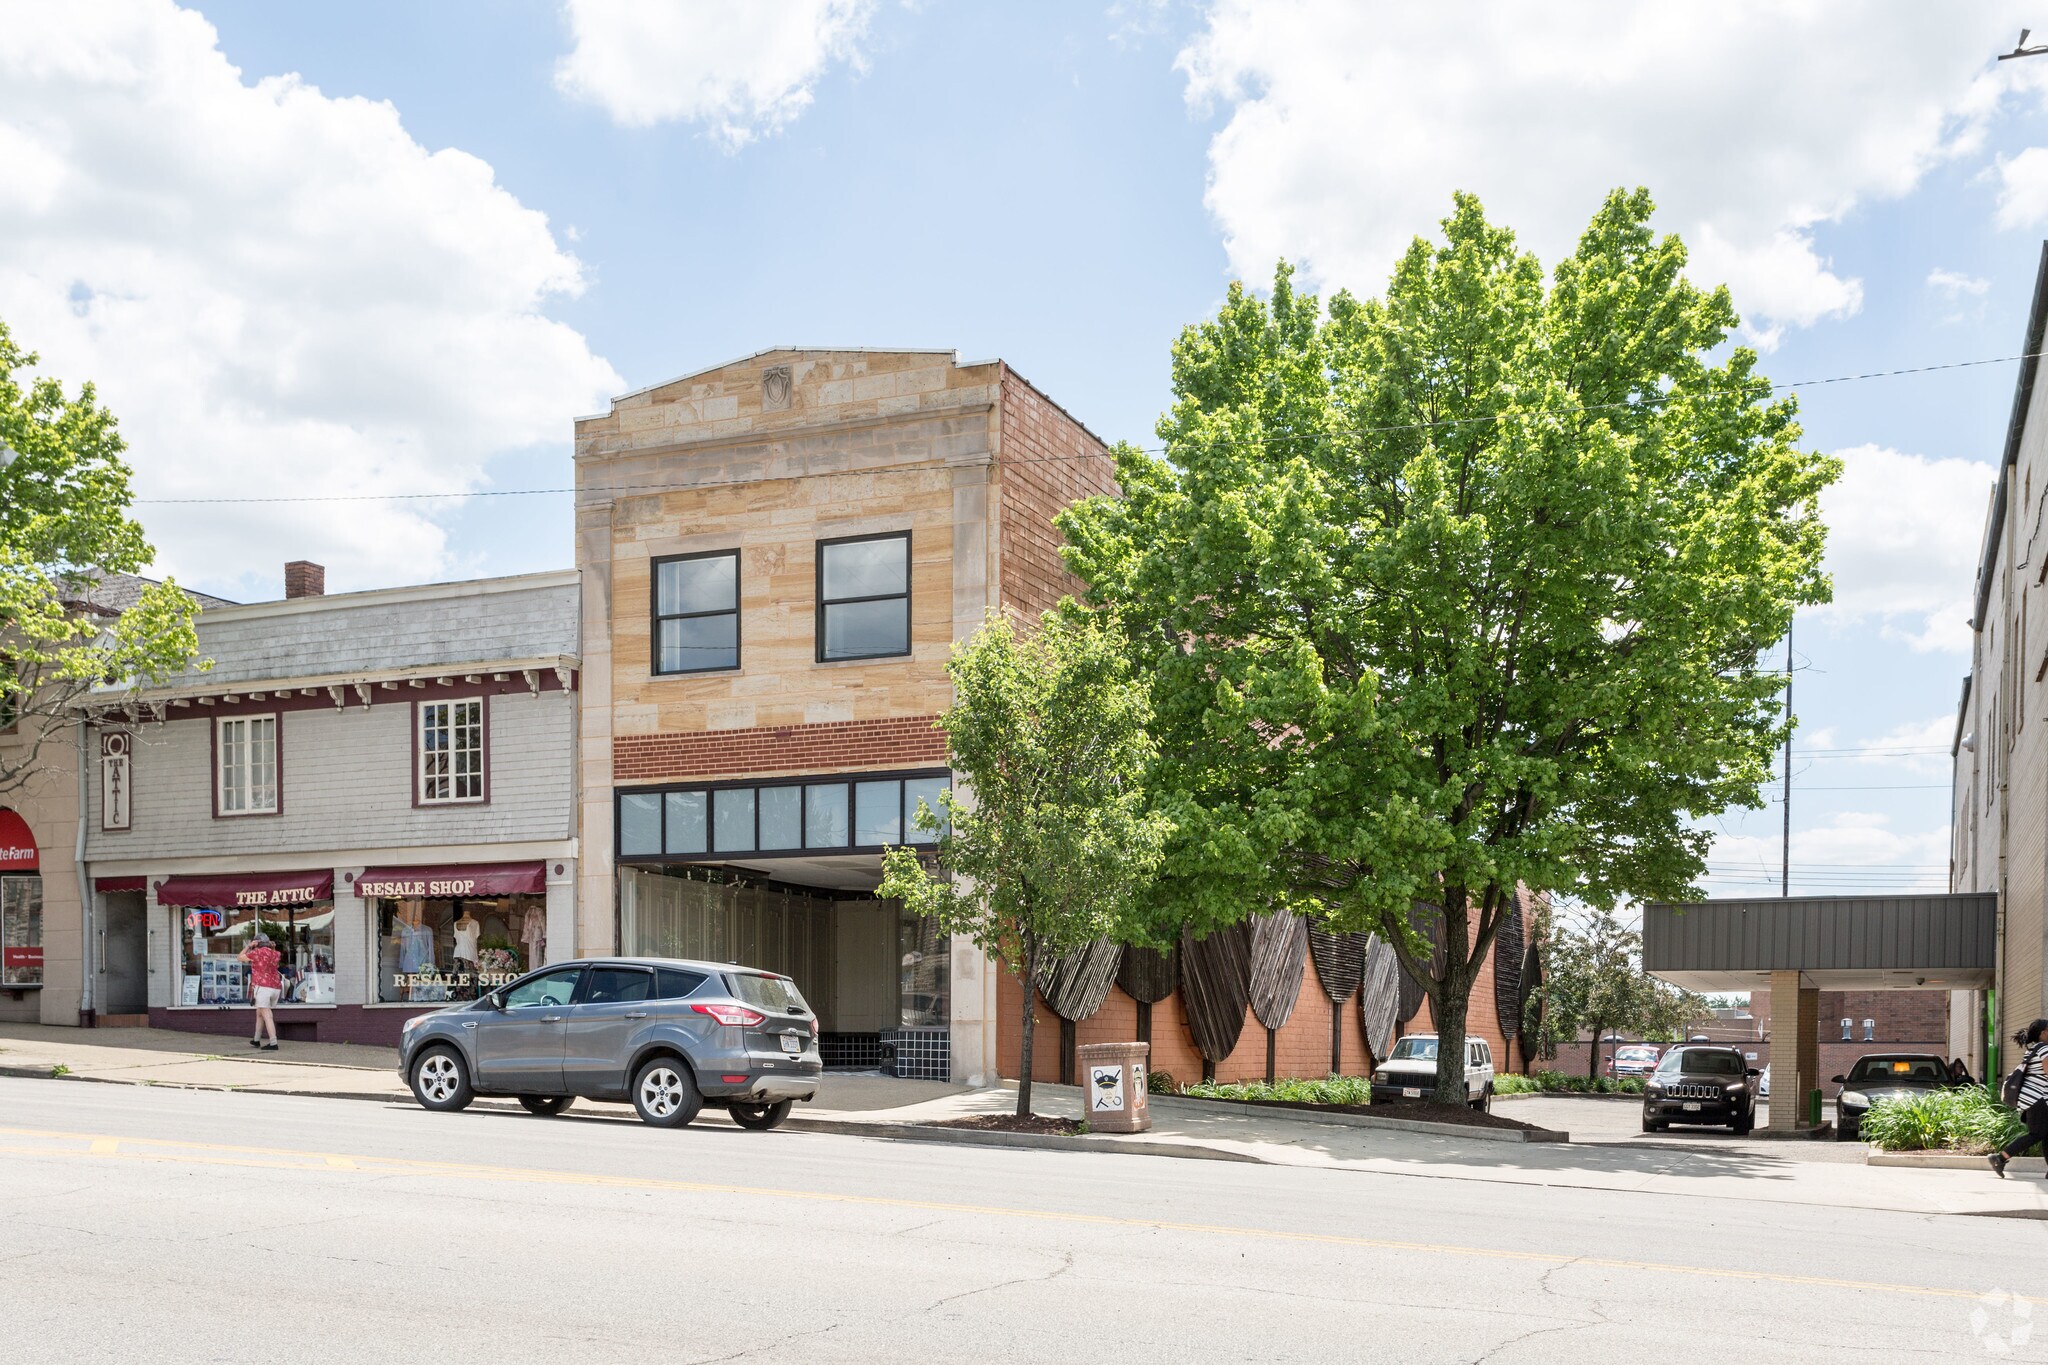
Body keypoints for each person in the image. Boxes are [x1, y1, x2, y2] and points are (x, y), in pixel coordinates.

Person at [1991, 1019, 2048, 1177]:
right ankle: (2000, 1158)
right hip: (2036, 1097)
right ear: (2043, 1033)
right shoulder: (2044, 1048)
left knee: (2045, 1132)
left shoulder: (2034, 1049)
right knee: (2037, 1134)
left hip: (2032, 1097)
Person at [239, 932, 282, 1051]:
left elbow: (240, 957)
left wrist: (249, 946)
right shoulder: (275, 953)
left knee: (266, 1014)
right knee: (259, 1012)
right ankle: (256, 1039)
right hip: (275, 987)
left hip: (263, 986)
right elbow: (272, 959)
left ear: (257, 943)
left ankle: (273, 1043)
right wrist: (272, 947)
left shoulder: (256, 953)